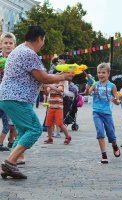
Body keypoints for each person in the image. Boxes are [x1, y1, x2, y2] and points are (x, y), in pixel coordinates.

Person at [0, 25, 73, 179]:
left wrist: (56, 78)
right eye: (43, 40)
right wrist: (63, 76)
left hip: (10, 97)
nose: (43, 44)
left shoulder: (20, 49)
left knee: (23, 131)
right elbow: (43, 77)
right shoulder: (28, 53)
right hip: (17, 98)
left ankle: (9, 165)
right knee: (34, 129)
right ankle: (10, 162)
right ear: (39, 38)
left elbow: (39, 78)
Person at [84, 62, 121, 164]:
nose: (101, 74)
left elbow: (117, 101)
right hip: (96, 112)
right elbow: (88, 93)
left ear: (108, 73)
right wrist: (87, 87)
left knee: (111, 135)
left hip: (107, 114)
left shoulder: (112, 86)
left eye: (103, 72)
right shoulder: (95, 84)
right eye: (99, 72)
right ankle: (104, 154)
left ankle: (114, 145)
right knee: (100, 132)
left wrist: (115, 101)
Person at [0, 32, 16, 151]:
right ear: (1, 44)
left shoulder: (16, 59)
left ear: (14, 45)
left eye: (10, 43)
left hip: (10, 95)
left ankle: (11, 142)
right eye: (6, 43)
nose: (8, 45)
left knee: (12, 122)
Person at [44, 79, 72, 144]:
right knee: (48, 124)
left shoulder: (61, 85)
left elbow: (59, 90)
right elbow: (47, 92)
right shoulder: (51, 85)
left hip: (58, 108)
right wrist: (45, 87)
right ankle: (50, 138)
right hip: (51, 107)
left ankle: (68, 137)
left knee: (60, 123)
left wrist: (49, 85)